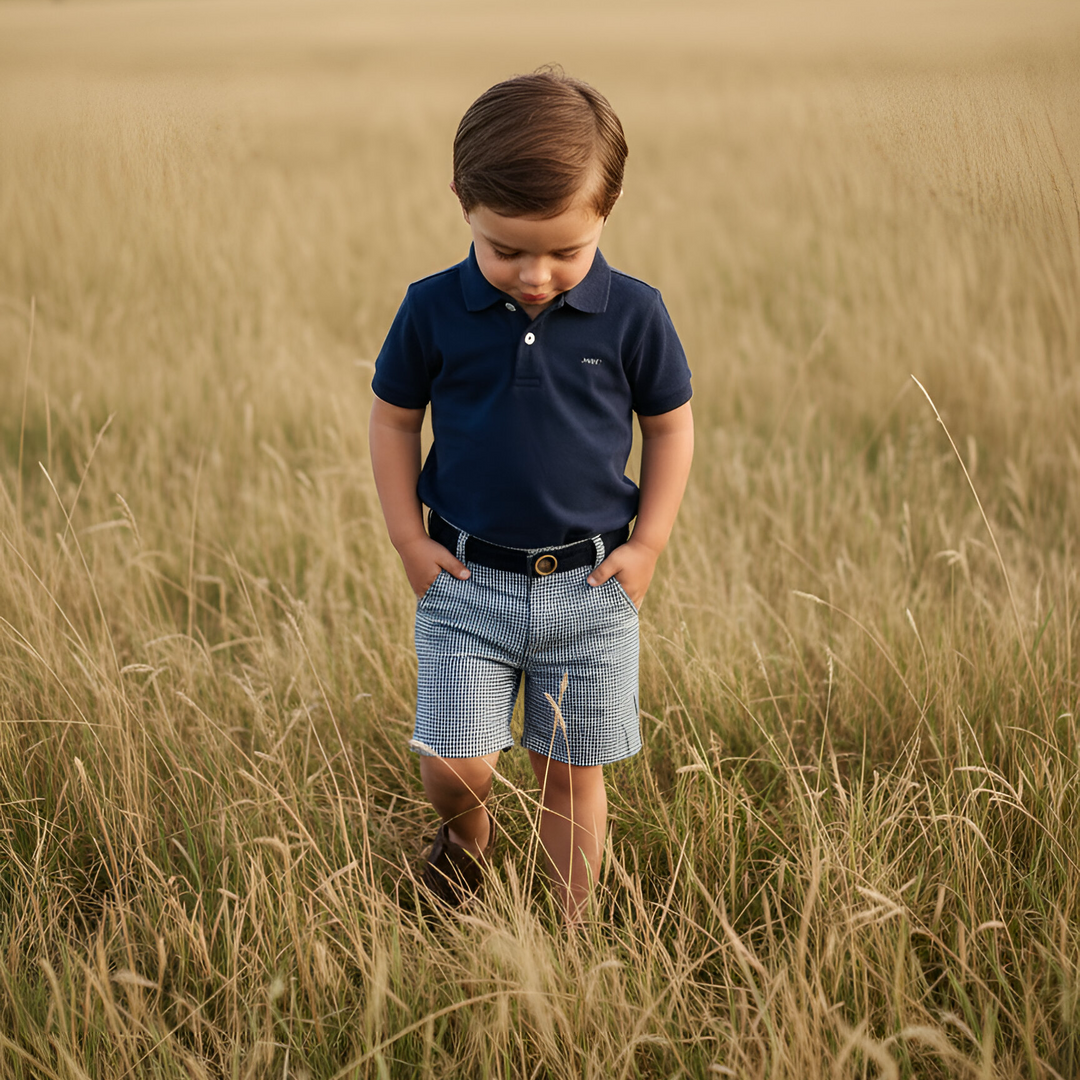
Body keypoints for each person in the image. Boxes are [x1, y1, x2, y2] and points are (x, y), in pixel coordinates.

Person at [369, 69, 694, 924]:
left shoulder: (635, 315)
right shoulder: (432, 309)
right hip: (465, 585)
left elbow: (669, 428)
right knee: (454, 765)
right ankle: (466, 836)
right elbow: (395, 419)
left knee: (570, 774)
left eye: (564, 252)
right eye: (506, 249)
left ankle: (569, 932)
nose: (536, 275)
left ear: (607, 213)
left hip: (589, 589)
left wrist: (648, 544)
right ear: (462, 204)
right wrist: (409, 539)